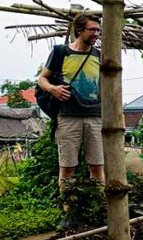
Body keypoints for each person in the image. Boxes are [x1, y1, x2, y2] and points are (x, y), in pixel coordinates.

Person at [37, 13, 104, 188]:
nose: (96, 34)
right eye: (92, 30)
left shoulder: (100, 56)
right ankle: (69, 210)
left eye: (98, 30)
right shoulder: (61, 52)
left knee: (97, 166)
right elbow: (42, 79)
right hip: (67, 116)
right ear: (79, 30)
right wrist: (53, 89)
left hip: (95, 116)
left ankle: (98, 206)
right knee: (67, 168)